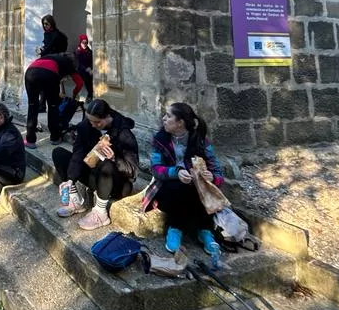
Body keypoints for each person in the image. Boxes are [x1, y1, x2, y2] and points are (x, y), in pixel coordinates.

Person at [147, 102, 225, 265]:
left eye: (168, 116)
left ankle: (204, 231)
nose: (164, 119)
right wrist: (175, 172)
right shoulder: (160, 139)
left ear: (180, 122)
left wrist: (212, 177)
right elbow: (155, 169)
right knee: (180, 186)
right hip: (167, 187)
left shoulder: (200, 140)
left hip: (196, 189)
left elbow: (216, 169)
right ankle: (175, 228)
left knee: (195, 186)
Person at [53, 98, 139, 230]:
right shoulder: (86, 126)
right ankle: (75, 201)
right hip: (94, 176)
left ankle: (100, 213)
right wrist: (70, 179)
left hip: (118, 184)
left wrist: (115, 158)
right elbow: (78, 154)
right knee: (59, 153)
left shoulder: (124, 134)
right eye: (90, 121)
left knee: (107, 164)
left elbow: (133, 171)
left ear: (107, 117)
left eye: (97, 122)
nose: (93, 125)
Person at [23, 52, 83, 148]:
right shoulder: (68, 63)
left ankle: (30, 140)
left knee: (32, 106)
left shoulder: (52, 57)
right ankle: (55, 137)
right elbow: (79, 83)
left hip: (30, 72)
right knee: (53, 106)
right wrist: (74, 94)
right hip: (49, 74)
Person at [75, 34, 93, 100]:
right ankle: (90, 94)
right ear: (80, 42)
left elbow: (92, 61)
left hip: (89, 69)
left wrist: (90, 68)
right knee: (86, 77)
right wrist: (87, 69)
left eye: (86, 42)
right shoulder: (78, 51)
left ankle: (91, 94)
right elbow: (79, 63)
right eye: (83, 42)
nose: (84, 44)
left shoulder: (89, 51)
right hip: (82, 70)